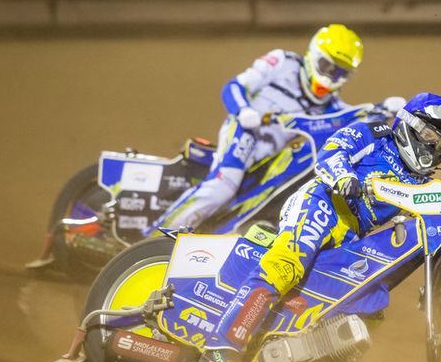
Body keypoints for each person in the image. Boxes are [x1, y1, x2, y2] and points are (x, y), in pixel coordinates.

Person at [206, 92, 441, 362]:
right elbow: (333, 151)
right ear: (411, 125)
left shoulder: (422, 183)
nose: (434, 148)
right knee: (288, 264)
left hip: (351, 233)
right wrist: (344, 177)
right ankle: (224, 343)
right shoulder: (373, 134)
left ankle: (300, 358)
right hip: (322, 204)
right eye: (431, 136)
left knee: (368, 306)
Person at [146, 24, 380, 235]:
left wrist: (378, 112)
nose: (330, 77)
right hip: (246, 132)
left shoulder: (333, 108)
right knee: (222, 188)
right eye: (327, 66)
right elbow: (234, 87)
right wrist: (243, 111)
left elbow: (350, 122)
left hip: (270, 159)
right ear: (313, 55)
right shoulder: (282, 62)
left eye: (341, 73)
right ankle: (156, 236)